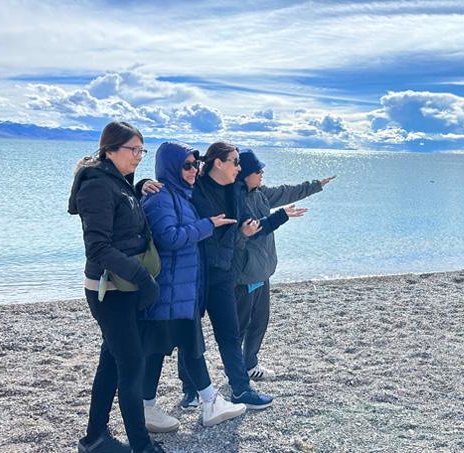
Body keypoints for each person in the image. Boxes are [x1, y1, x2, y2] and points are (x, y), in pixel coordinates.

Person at [68, 121, 165, 453]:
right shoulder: (96, 185)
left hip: (123, 287)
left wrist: (139, 187)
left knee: (112, 360)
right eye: (133, 150)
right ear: (109, 150)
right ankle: (141, 446)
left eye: (142, 150)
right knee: (132, 364)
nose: (139, 156)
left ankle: (95, 437)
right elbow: (97, 247)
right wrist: (142, 277)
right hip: (108, 290)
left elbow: (121, 219)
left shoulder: (117, 181)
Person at [139, 142, 246, 433]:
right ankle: (196, 403)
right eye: (186, 165)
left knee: (183, 345)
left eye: (195, 164)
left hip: (181, 289)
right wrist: (207, 225)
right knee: (166, 349)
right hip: (169, 289)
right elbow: (168, 238)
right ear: (171, 167)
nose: (193, 170)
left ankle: (202, 402)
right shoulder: (161, 197)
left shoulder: (180, 194)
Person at [180, 141, 284, 409]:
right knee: (191, 336)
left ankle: (241, 389)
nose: (239, 167)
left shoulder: (235, 191)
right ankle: (190, 391)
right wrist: (142, 184)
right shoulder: (194, 188)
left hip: (223, 274)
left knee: (229, 335)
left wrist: (279, 217)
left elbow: (251, 228)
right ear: (218, 163)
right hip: (194, 274)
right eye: (235, 162)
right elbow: (165, 193)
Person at [233, 148, 334, 381]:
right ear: (244, 174)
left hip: (263, 271)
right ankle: (235, 372)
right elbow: (253, 230)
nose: (262, 173)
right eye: (258, 170)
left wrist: (315, 185)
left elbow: (286, 191)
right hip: (244, 275)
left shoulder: (260, 193)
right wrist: (282, 216)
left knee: (260, 321)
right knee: (239, 327)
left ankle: (250, 365)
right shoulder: (234, 199)